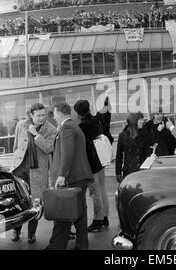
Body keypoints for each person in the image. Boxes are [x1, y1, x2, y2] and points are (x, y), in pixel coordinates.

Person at [45, 102, 93, 250]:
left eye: (55, 114)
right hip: (79, 177)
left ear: (59, 113)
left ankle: (56, 246)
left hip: (71, 178)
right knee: (79, 213)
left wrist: (61, 176)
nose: (55, 118)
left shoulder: (66, 127)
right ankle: (81, 245)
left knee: (63, 213)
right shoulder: (74, 126)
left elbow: (67, 153)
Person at [11, 103, 57, 243]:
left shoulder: (51, 129)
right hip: (20, 169)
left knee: (35, 204)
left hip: (37, 172)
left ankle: (31, 234)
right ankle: (16, 231)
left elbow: (49, 148)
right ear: (31, 115)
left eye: (43, 115)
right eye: (38, 115)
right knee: (17, 202)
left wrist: (36, 135)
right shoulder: (21, 125)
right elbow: (16, 146)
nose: (41, 118)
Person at [74, 99, 110, 232]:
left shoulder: (82, 126)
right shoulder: (96, 120)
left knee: (94, 192)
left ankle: (98, 219)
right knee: (102, 188)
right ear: (88, 109)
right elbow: (104, 114)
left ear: (78, 113)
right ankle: (105, 216)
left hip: (92, 162)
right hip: (101, 159)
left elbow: (84, 147)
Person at [115, 112, 148, 182]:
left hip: (142, 171)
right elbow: (119, 156)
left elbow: (148, 152)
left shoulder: (144, 133)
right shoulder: (122, 135)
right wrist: (118, 173)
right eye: (140, 119)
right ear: (134, 121)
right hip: (129, 173)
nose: (143, 121)